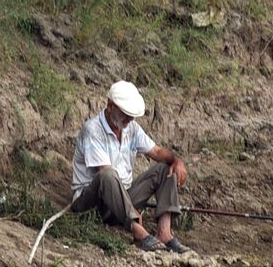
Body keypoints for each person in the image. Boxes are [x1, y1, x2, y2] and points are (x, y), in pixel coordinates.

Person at [69, 81, 191, 253]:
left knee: (165, 168)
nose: (130, 119)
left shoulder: (131, 128)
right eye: (126, 114)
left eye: (132, 115)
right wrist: (130, 209)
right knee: (108, 175)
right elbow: (104, 173)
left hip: (122, 201)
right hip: (92, 204)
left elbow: (156, 151)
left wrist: (176, 160)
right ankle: (137, 230)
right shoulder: (93, 130)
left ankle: (164, 232)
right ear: (110, 106)